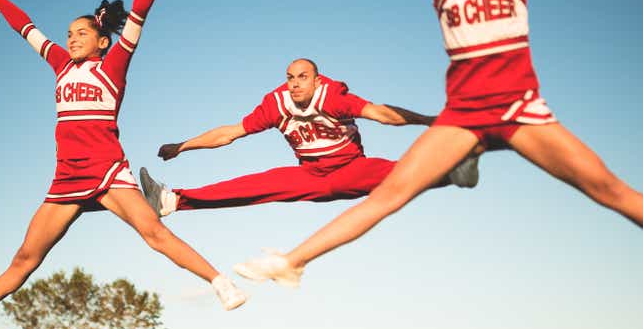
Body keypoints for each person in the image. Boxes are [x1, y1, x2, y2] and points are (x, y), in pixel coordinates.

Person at [233, 0, 643, 287]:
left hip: (521, 111)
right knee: (392, 193)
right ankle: (293, 262)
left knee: (607, 189)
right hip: (463, 117)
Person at [0, 0, 245, 329]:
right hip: (67, 178)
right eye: (69, 34)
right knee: (25, 259)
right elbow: (24, 26)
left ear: (102, 40)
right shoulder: (59, 65)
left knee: (153, 233)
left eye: (82, 34)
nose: (72, 40)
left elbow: (140, 9)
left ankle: (219, 281)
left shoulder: (113, 68)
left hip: (107, 172)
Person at [139, 58, 479, 218]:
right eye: (290, 78)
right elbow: (228, 134)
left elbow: (382, 114)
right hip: (311, 174)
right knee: (254, 184)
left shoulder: (333, 96)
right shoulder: (276, 103)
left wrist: (432, 121)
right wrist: (182, 146)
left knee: (398, 171)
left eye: (303, 77)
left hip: (350, 168)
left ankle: (454, 170)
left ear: (317, 80)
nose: (295, 83)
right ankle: (171, 201)